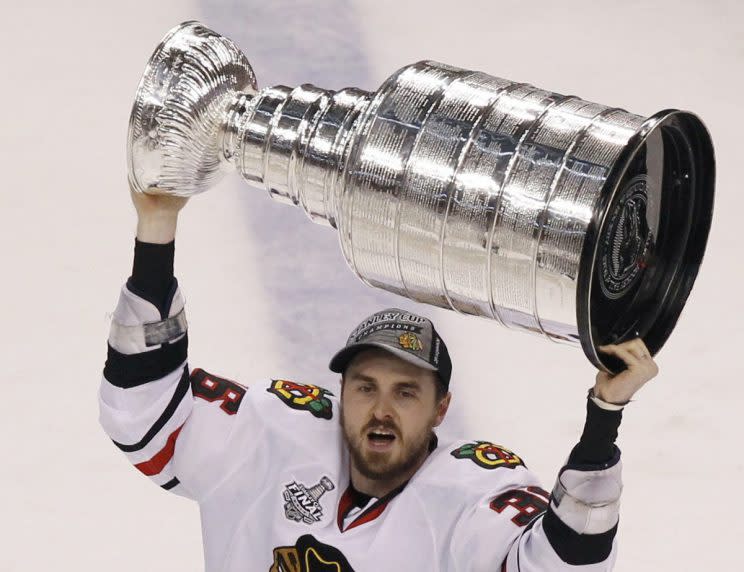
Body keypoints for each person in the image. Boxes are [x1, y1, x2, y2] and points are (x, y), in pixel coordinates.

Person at [99, 191, 659, 571]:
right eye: (365, 386)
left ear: (442, 410)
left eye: (406, 391)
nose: (381, 409)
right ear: (340, 394)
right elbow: (144, 415)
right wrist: (156, 231)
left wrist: (603, 417)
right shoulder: (272, 436)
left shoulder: (470, 497)